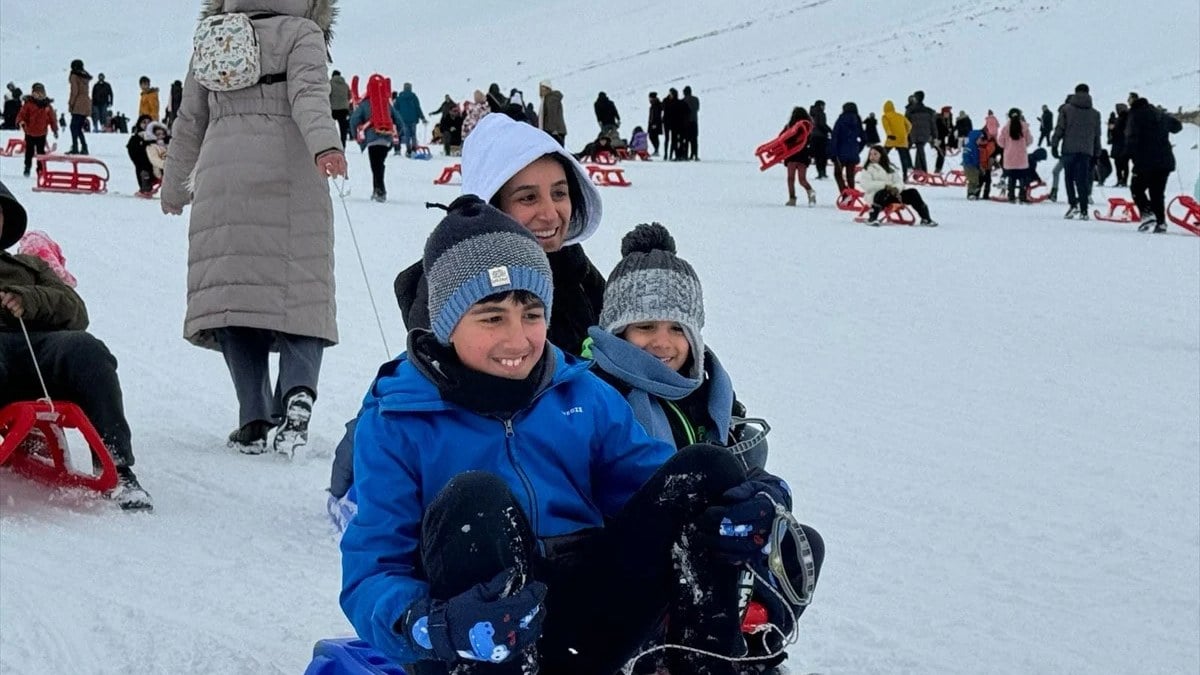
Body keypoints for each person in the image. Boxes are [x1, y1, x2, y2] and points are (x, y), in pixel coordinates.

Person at [340, 195, 819, 675]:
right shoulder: (398, 418)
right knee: (474, 499)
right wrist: (429, 625)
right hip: (475, 634)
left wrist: (758, 493)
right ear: (447, 323)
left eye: (531, 314)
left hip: (584, 616)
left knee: (705, 467)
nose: (517, 339)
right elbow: (373, 571)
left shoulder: (580, 392)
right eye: (492, 317)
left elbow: (654, 481)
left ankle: (703, 664)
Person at [331, 112, 606, 531]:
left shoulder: (579, 275)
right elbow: (431, 407)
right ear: (491, 203)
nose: (551, 213)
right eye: (528, 198)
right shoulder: (453, 281)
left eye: (560, 193)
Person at [160, 1, 347, 457]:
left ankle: (254, 418)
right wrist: (326, 147)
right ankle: (298, 392)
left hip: (224, 175)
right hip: (290, 171)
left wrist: (174, 185)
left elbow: (190, 119)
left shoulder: (212, 35)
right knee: (301, 293)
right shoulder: (302, 33)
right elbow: (309, 97)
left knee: (235, 298)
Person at [0, 181, 152, 511]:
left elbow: (76, 311)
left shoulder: (30, 267)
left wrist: (30, 299)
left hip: (38, 351)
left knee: (86, 349)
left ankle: (117, 466)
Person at [1125, 94, 1183, 233]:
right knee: (1157, 193)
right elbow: (1177, 127)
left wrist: (1128, 155)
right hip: (1164, 160)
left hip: (1145, 160)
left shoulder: (1135, 115)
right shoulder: (1159, 114)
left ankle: (1148, 215)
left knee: (1137, 189)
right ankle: (1161, 222)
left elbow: (1131, 138)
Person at [1051, 83, 1102, 220]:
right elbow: (1097, 135)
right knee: (1082, 180)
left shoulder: (1066, 110)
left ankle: (1073, 205)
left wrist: (1054, 144)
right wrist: (1096, 153)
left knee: (1069, 178)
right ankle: (1084, 210)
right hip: (1086, 151)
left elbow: (1060, 128)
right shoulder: (1095, 114)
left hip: (1069, 149)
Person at [859, 145, 937, 226]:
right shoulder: (867, 168)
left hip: (892, 195)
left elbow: (899, 181)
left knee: (913, 192)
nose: (872, 156)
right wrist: (885, 186)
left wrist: (896, 188)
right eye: (870, 154)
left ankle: (926, 219)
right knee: (883, 193)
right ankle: (872, 218)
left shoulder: (890, 168)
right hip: (876, 196)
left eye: (875, 154)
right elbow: (865, 184)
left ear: (882, 155)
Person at [350, 92, 404, 201]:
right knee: (379, 164)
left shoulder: (365, 104)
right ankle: (377, 190)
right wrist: (395, 134)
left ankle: (380, 191)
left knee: (376, 166)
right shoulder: (386, 103)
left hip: (372, 139)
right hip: (386, 139)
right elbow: (399, 121)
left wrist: (355, 136)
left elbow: (354, 120)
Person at [16, 83, 60, 177]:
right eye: (36, 93)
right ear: (33, 94)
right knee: (29, 152)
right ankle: (27, 167)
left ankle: (40, 169)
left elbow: (52, 119)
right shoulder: (28, 104)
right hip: (30, 133)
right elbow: (21, 115)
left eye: (41, 93)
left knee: (41, 152)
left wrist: (55, 130)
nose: (39, 96)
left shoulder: (47, 106)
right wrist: (21, 122)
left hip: (41, 133)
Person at [996, 108, 1033, 204]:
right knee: (1022, 178)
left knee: (1011, 178)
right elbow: (1029, 141)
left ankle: (1011, 196)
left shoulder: (1005, 128)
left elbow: (1000, 142)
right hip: (1021, 158)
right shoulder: (1025, 127)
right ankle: (1022, 196)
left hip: (1009, 158)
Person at [782, 107, 816, 206]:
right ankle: (811, 193)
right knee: (802, 179)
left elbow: (782, 138)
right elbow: (810, 141)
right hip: (803, 154)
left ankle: (792, 198)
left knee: (790, 178)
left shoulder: (789, 126)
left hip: (791, 154)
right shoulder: (808, 127)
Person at [829, 101, 863, 193]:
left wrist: (833, 153)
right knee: (850, 176)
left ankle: (844, 193)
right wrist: (858, 149)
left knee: (837, 174)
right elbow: (864, 138)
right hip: (853, 152)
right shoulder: (858, 120)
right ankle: (852, 194)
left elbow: (834, 136)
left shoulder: (841, 119)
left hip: (840, 152)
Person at [905, 91, 937, 173]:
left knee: (906, 149)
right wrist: (934, 136)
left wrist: (904, 134)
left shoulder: (910, 110)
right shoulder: (928, 111)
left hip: (914, 134)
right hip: (925, 134)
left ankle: (920, 169)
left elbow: (905, 123)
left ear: (916, 98)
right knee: (920, 149)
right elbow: (933, 124)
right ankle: (919, 169)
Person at [880, 99, 912, 182]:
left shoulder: (885, 116)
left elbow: (886, 127)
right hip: (902, 139)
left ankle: (876, 172)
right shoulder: (900, 116)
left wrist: (889, 134)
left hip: (892, 138)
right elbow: (909, 125)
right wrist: (905, 133)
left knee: (882, 155)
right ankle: (905, 176)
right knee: (903, 158)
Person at [392, 82, 426, 157]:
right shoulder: (414, 97)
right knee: (413, 135)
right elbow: (418, 108)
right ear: (410, 88)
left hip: (403, 120)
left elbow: (395, 109)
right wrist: (422, 117)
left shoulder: (399, 98)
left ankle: (408, 150)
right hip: (413, 119)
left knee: (407, 135)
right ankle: (414, 149)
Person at [126, 114, 156, 194]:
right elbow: (133, 153)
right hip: (143, 166)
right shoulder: (135, 138)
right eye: (144, 122)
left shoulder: (157, 136)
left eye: (149, 122)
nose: (146, 125)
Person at [67, 59, 92, 155]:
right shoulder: (85, 77)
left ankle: (75, 147)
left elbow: (74, 92)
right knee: (78, 127)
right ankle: (84, 147)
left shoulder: (74, 76)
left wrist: (71, 104)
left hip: (78, 103)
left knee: (73, 127)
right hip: (86, 103)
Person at [538, 79, 567, 146]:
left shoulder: (551, 99)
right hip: (555, 131)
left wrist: (552, 130)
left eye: (543, 88)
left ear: (548, 89)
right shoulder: (548, 99)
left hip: (554, 132)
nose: (541, 91)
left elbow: (552, 115)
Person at [1110, 100, 1130, 187]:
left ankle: (1119, 179)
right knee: (1125, 164)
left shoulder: (1118, 120)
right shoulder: (1129, 119)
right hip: (1126, 144)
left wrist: (1111, 129)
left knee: (1118, 164)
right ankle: (1124, 180)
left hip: (1117, 144)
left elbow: (1114, 133)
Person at [329, 70, 351, 147]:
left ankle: (331, 143)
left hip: (333, 109)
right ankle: (343, 145)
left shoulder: (330, 84)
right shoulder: (346, 85)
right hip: (343, 110)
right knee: (343, 129)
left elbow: (327, 95)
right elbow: (349, 96)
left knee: (330, 126)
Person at [682, 85, 700, 160]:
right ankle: (695, 154)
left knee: (686, 139)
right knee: (694, 140)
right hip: (694, 121)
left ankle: (686, 155)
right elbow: (697, 108)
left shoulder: (683, 100)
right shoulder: (696, 99)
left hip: (686, 122)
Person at [647, 91, 663, 156]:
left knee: (653, 136)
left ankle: (656, 150)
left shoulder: (656, 105)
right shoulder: (653, 104)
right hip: (652, 123)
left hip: (655, 123)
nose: (649, 99)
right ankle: (656, 149)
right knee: (652, 136)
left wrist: (655, 124)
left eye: (650, 98)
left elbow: (657, 115)